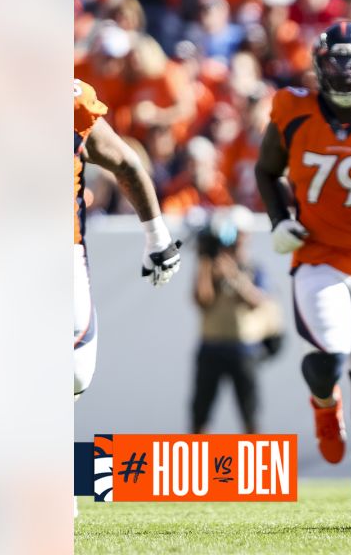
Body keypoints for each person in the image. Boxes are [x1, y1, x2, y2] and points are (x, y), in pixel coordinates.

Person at [253, 21, 351, 504]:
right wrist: (279, 221)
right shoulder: (292, 108)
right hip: (318, 249)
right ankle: (324, 402)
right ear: (319, 66)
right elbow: (267, 170)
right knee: (330, 356)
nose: (343, 72)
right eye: (335, 62)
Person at [74, 78, 181, 518]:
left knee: (75, 373)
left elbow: (125, 162)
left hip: (61, 248)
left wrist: (157, 235)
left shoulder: (71, 99)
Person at [190, 207, 282, 435]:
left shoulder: (253, 269)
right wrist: (204, 261)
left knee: (249, 413)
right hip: (211, 347)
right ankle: (194, 466)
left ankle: (256, 467)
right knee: (200, 413)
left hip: (243, 350)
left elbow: (257, 301)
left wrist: (234, 276)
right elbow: (202, 300)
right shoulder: (211, 267)